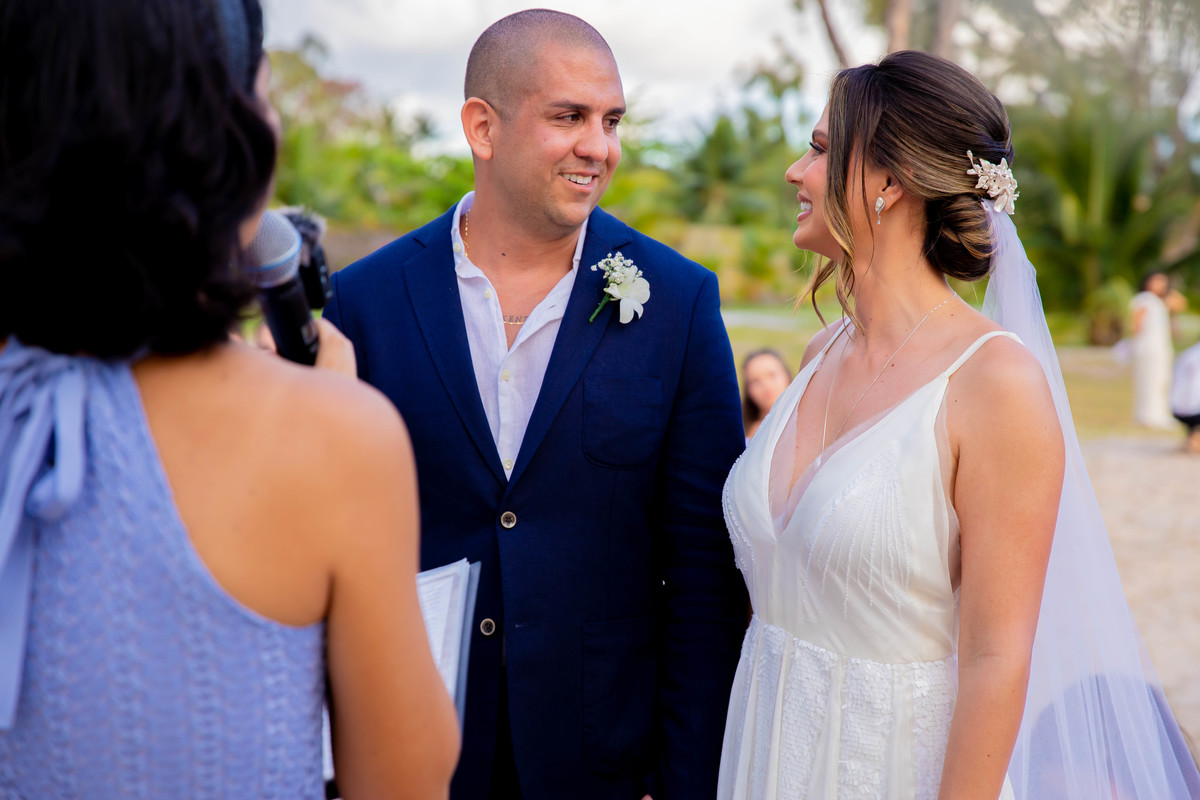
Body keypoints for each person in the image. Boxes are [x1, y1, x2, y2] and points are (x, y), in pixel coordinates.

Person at [0, 1, 459, 797]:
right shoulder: (334, 439)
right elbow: (406, 781)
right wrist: (321, 415)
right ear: (220, 139)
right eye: (266, 98)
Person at [719, 50, 1200, 799]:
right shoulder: (820, 353)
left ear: (888, 183)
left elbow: (996, 660)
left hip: (890, 773)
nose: (795, 172)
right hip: (763, 750)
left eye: (818, 150)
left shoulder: (994, 384)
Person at [323, 9, 748, 800]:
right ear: (482, 128)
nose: (599, 147)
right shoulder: (362, 304)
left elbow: (703, 575)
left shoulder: (679, 302)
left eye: (611, 121)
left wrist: (683, 781)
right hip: (415, 755)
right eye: (569, 117)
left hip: (605, 764)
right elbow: (327, 547)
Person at [1130, 271, 1176, 428]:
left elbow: (1180, 303)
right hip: (1148, 347)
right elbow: (1136, 324)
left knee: (1162, 379)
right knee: (1150, 379)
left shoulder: (1160, 301)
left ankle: (1159, 413)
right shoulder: (1144, 299)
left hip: (1161, 346)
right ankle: (1148, 415)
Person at [741, 349, 792, 440]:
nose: (766, 385)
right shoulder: (742, 433)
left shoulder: (808, 420)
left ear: (787, 374)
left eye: (772, 375)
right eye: (755, 381)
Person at [1171, 341, 1200, 454]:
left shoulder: (1188, 353)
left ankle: (1192, 435)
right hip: (1194, 410)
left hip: (1175, 408)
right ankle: (1195, 437)